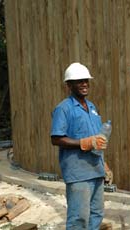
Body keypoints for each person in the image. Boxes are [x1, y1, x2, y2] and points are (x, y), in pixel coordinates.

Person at [50, 62, 108, 229]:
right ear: (69, 85)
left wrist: (106, 165)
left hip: (97, 170)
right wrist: (83, 143)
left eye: (86, 81)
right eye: (79, 81)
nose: (84, 84)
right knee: (79, 219)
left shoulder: (92, 107)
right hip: (79, 174)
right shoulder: (64, 109)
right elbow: (56, 138)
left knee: (96, 215)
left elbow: (97, 140)